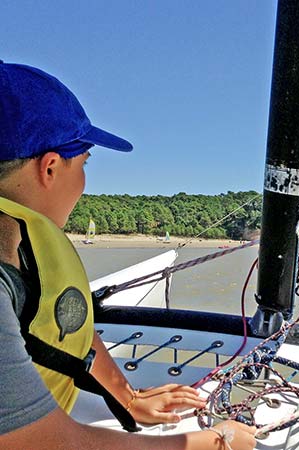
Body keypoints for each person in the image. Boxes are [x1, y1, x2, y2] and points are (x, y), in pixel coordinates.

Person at [0, 61, 256, 450]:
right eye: (85, 162)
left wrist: (129, 397)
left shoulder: (17, 241)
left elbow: (66, 326)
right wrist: (219, 443)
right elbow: (41, 442)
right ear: (50, 168)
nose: (86, 182)